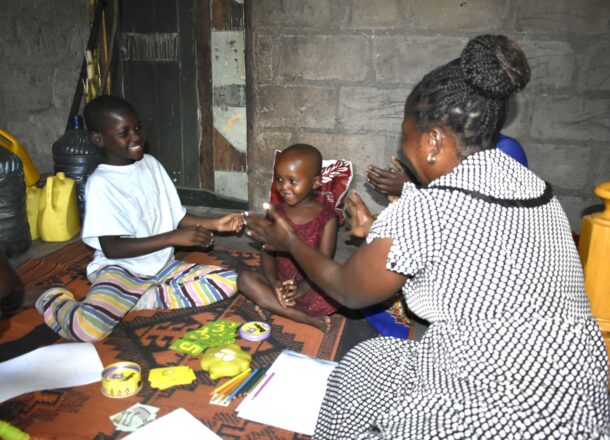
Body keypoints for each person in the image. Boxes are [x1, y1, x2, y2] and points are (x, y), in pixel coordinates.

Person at [243, 35, 610, 438]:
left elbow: (348, 290)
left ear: (433, 141)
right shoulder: (537, 189)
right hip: (580, 401)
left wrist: (290, 242)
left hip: (499, 410)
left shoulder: (430, 207)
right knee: (378, 359)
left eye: (405, 135)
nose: (401, 148)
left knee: (357, 375)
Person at [34, 95, 244, 342]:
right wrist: (173, 238)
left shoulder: (151, 165)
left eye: (137, 127)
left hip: (162, 266)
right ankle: (49, 297)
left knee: (230, 282)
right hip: (123, 269)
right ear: (99, 139)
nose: (136, 136)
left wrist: (216, 223)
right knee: (88, 330)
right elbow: (112, 248)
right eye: (124, 133)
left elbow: (178, 216)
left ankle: (144, 299)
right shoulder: (102, 183)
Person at [238, 144, 339, 332]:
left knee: (339, 290)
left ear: (316, 182)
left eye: (292, 181)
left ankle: (274, 306)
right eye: (279, 179)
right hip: (280, 282)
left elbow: (323, 264)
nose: (284, 187)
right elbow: (266, 253)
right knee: (245, 279)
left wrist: (301, 288)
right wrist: (274, 283)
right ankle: (304, 317)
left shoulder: (327, 218)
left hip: (312, 284)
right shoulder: (276, 213)